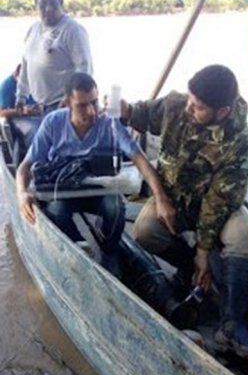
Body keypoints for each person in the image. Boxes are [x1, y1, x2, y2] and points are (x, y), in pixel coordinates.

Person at [120, 65, 248, 358]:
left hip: (215, 205)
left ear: (223, 111)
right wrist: (124, 108)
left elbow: (218, 201)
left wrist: (204, 249)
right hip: (173, 197)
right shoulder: (177, 104)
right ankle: (190, 270)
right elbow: (141, 114)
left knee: (243, 234)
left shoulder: (239, 140)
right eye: (190, 101)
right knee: (143, 231)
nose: (189, 109)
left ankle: (232, 323)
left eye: (199, 107)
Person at [15, 73, 168, 276]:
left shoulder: (109, 123)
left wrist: (160, 197)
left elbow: (140, 160)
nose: (90, 111)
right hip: (64, 192)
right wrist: (22, 194)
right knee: (57, 211)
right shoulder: (53, 123)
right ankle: (76, 248)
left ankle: (109, 249)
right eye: (82, 105)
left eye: (94, 102)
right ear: (68, 102)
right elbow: (25, 166)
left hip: (98, 191)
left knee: (115, 208)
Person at [16, 0, 93, 114]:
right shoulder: (32, 30)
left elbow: (85, 68)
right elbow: (25, 66)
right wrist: (20, 96)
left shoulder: (72, 30)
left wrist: (70, 98)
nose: (48, 9)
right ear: (36, 5)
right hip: (36, 106)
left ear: (61, 2)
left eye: (53, 3)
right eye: (43, 4)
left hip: (62, 106)